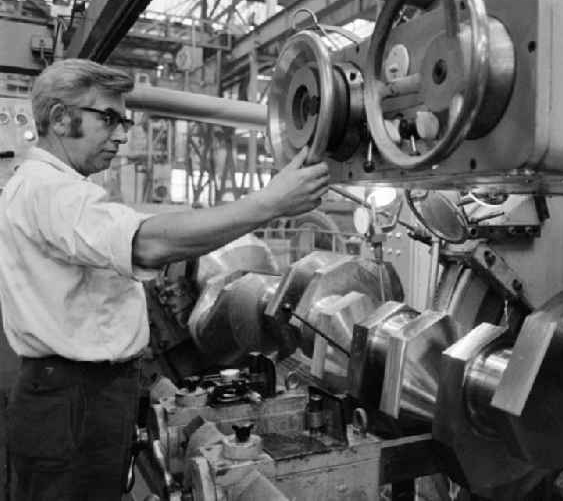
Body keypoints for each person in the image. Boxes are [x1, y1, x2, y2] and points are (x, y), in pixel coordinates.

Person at [0, 59, 329, 500]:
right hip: (72, 400)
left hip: (83, 393)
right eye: (109, 118)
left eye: (126, 120)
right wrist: (268, 203)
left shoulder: (55, 188)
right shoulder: (49, 190)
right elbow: (146, 245)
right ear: (60, 118)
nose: (122, 134)